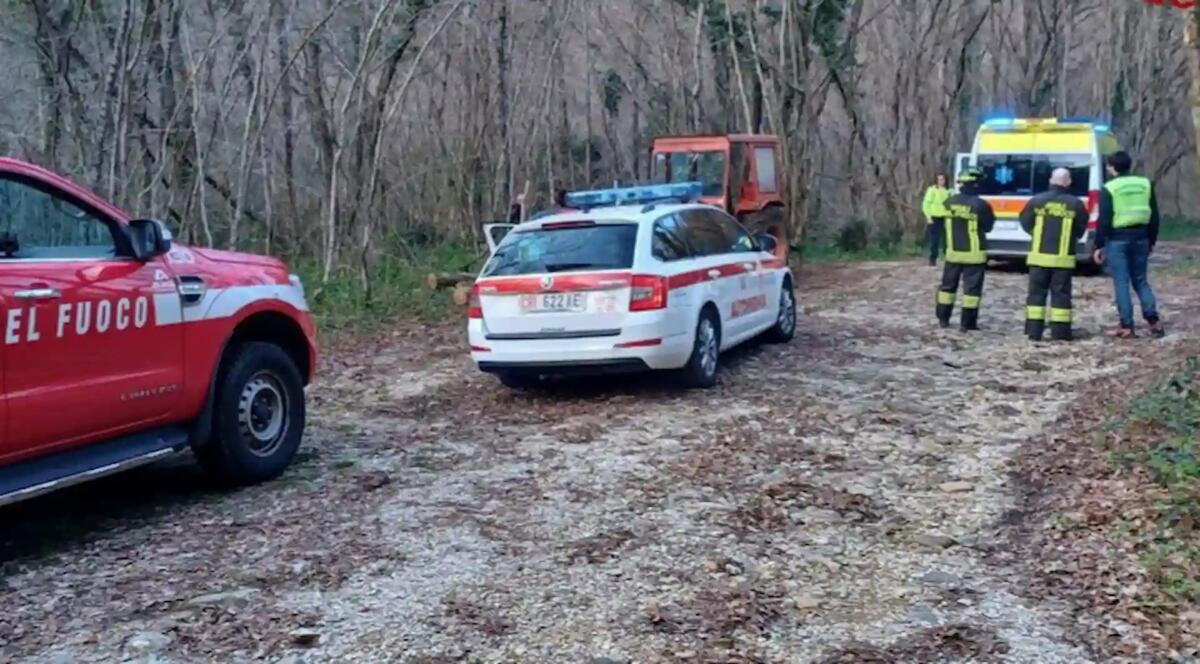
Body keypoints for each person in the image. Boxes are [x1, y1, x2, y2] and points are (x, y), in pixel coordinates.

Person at [1093, 151, 1165, 339]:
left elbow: (1105, 220)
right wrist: (1151, 240)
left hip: (1117, 240)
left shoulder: (1109, 188)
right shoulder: (1145, 184)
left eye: (1108, 166)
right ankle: (1153, 321)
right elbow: (1154, 216)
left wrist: (1098, 245)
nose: (1108, 169)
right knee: (1141, 280)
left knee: (1121, 282)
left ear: (1113, 167)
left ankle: (1126, 325)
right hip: (1141, 237)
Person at [1019, 168, 1088, 341]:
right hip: (1063, 260)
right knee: (1061, 296)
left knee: (1035, 295)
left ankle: (1034, 331)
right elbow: (1080, 229)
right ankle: (1060, 333)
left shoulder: (1036, 201)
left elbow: (1026, 223)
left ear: (1050, 180)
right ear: (1069, 182)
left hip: (1038, 257)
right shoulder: (1076, 204)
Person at [936, 168, 995, 331]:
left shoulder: (948, 203)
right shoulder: (981, 205)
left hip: (953, 252)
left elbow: (941, 226)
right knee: (971, 291)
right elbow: (988, 227)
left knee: (947, 288)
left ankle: (943, 319)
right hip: (974, 254)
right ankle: (967, 324)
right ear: (976, 184)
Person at [921, 173, 951, 267]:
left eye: (942, 179)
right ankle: (932, 258)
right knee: (935, 239)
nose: (941, 181)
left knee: (948, 239)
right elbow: (926, 204)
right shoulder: (932, 190)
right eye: (939, 179)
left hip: (946, 217)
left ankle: (948, 258)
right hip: (934, 217)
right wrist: (928, 217)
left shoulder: (949, 191)